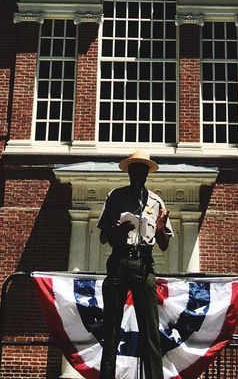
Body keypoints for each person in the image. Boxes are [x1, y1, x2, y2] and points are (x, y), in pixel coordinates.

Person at [98, 149, 173, 379]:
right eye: (135, 169)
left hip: (144, 263)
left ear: (147, 174)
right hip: (120, 261)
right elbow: (103, 237)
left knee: (150, 329)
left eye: (143, 170)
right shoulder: (115, 196)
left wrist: (160, 228)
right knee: (111, 328)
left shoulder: (157, 202)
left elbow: (164, 244)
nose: (139, 173)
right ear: (129, 171)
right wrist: (118, 230)